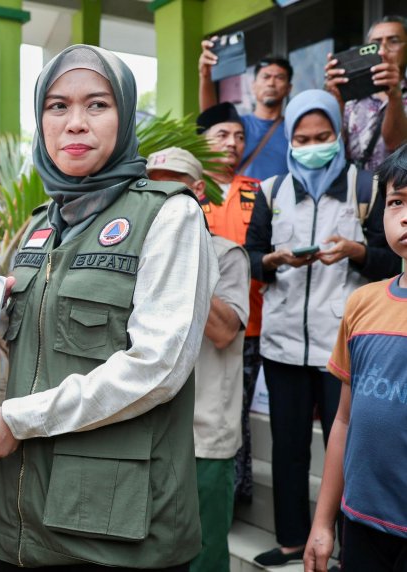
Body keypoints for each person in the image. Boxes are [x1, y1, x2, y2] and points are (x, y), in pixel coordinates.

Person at [0, 44, 218, 571]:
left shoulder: (170, 217)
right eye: (57, 106)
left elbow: (157, 367)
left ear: (124, 117)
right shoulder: (39, 226)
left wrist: (18, 419)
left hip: (117, 528)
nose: (75, 123)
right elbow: (24, 347)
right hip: (23, 519)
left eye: (96, 105)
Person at [244, 89, 401, 567]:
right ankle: (294, 539)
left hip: (347, 346)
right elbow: (251, 257)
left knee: (350, 446)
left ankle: (347, 541)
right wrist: (272, 260)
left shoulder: (367, 188)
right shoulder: (271, 191)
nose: (313, 144)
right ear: (290, 139)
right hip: (284, 341)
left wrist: (356, 252)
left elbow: (388, 258)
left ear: (339, 134)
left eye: (324, 136)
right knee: (290, 449)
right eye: (303, 137)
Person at [304, 143, 407, 572]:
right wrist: (323, 522)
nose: (405, 215)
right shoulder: (363, 303)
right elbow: (343, 420)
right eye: (397, 202)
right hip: (362, 523)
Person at [148, 147, 250, 572]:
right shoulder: (137, 254)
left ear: (197, 192)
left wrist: (186, 261)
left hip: (205, 434)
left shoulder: (227, 254)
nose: (161, 195)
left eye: (173, 185)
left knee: (205, 553)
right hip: (150, 429)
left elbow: (225, 331)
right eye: (152, 186)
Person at [195, 102, 265, 504]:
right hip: (193, 322)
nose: (233, 143)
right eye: (222, 134)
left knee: (234, 414)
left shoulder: (258, 191)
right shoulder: (186, 188)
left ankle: (234, 495)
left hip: (244, 321)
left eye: (239, 136)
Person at [199, 43, 293, 181]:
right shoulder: (239, 126)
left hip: (280, 202)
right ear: (253, 85)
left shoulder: (295, 130)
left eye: (279, 77)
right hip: (240, 200)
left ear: (289, 88)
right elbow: (211, 118)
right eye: (266, 77)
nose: (271, 83)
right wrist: (205, 76)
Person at [325, 15, 407, 172]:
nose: (383, 50)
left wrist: (395, 95)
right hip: (358, 192)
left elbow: (397, 145)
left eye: (394, 41)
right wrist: (336, 101)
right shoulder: (350, 98)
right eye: (375, 43)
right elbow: (330, 149)